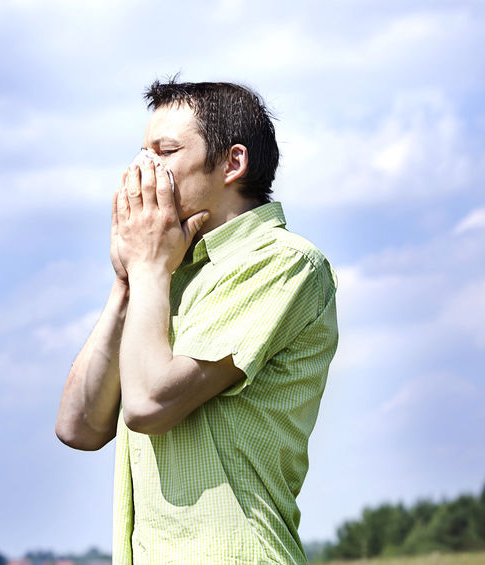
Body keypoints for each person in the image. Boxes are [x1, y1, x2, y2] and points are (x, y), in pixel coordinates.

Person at [55, 79, 339, 564]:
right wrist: (126, 283)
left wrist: (147, 269)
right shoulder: (165, 273)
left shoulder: (281, 263)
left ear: (233, 163)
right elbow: (78, 426)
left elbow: (148, 404)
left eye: (164, 151)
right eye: (142, 152)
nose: (144, 170)